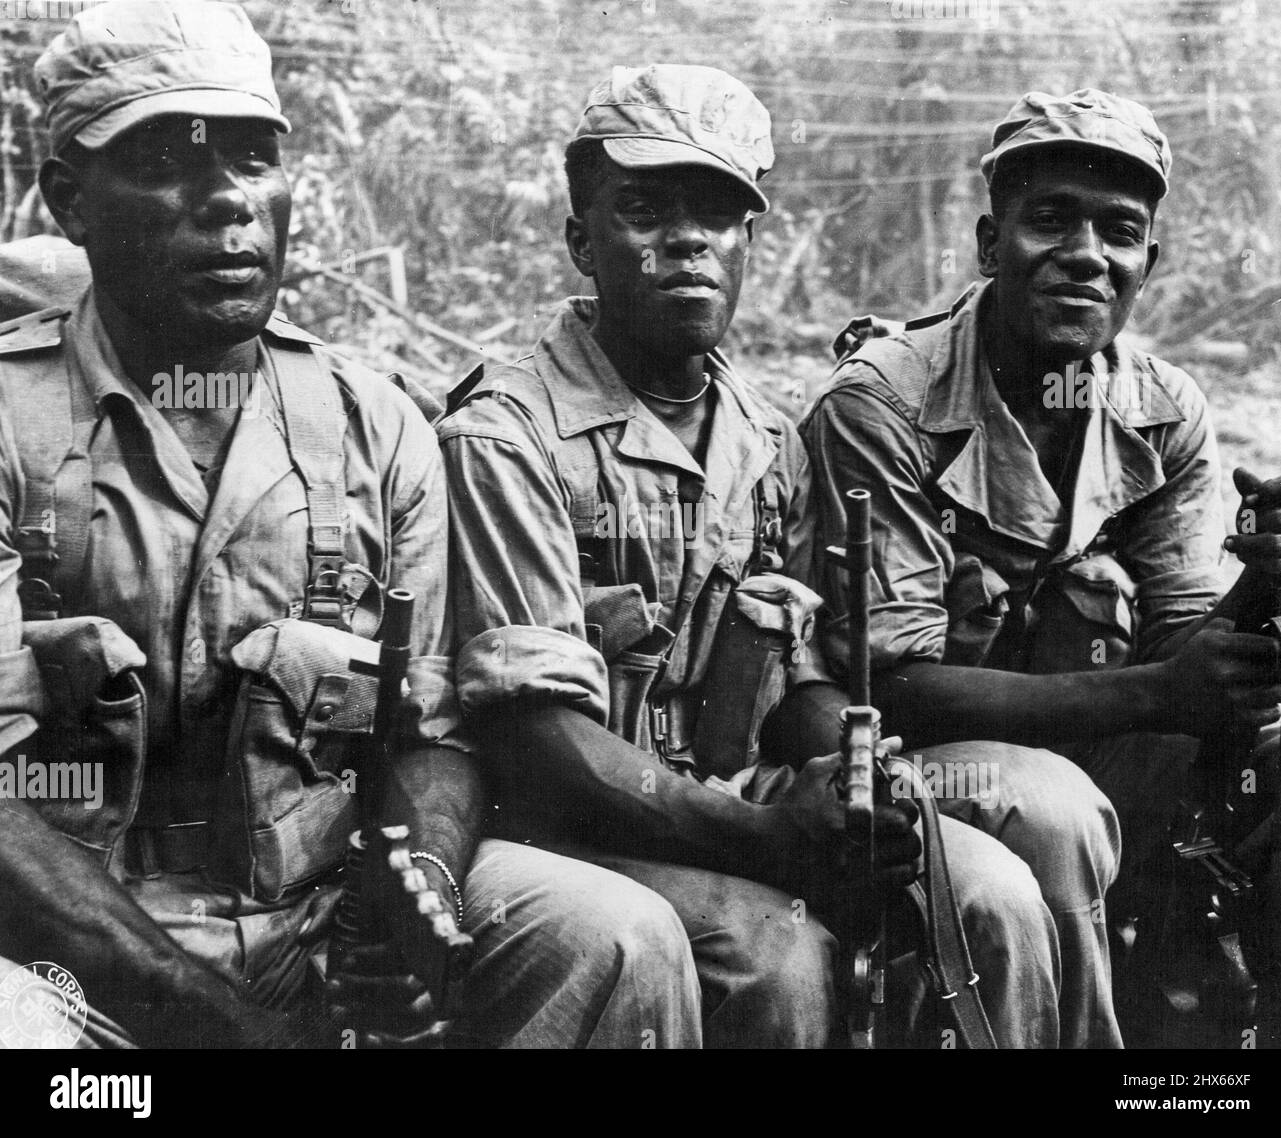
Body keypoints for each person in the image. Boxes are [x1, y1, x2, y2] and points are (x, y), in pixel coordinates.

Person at [0, 0, 702, 1050]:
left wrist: (410, 888)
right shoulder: (14, 422)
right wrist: (224, 1026)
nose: (227, 201)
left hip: (312, 917)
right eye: (166, 161)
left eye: (252, 158)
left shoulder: (374, 427)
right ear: (69, 199)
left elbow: (430, 730)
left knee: (609, 935)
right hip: (72, 954)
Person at [437, 63, 1116, 1048]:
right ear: (581, 238)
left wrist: (854, 770)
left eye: (716, 215)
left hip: (736, 799)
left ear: (747, 243)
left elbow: (795, 679)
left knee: (992, 894)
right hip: (572, 833)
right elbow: (537, 746)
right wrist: (770, 837)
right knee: (776, 954)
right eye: (642, 209)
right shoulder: (507, 435)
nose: (685, 241)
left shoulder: (765, 437)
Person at [797, 88, 1281, 1037]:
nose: (1084, 255)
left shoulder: (1161, 409)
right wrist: (1159, 695)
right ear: (992, 245)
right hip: (922, 764)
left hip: (1095, 744)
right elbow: (890, 685)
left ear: (1149, 262)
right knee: (1056, 810)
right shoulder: (883, 407)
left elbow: (1179, 648)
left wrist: (1264, 580)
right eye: (1049, 220)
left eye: (1119, 230)